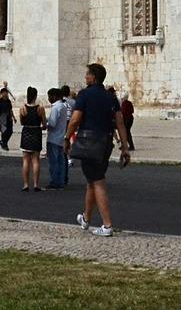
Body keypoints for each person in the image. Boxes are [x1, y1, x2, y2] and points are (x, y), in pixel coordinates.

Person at [67, 62, 131, 235]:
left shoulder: (84, 95)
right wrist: (124, 148)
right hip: (106, 144)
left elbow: (74, 120)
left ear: (93, 77)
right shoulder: (111, 97)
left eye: (87, 74)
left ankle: (107, 225)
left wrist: (67, 138)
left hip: (89, 144)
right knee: (92, 181)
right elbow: (120, 123)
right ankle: (86, 219)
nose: (85, 77)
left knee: (98, 182)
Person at [17, 87, 46, 191]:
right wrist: (42, 127)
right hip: (36, 132)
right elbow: (44, 124)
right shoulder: (40, 108)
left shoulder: (22, 108)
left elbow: (21, 122)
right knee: (36, 160)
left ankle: (25, 184)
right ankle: (36, 184)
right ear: (35, 96)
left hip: (26, 133)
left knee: (25, 160)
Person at [44, 87, 71, 189]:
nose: (49, 98)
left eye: (49, 96)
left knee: (53, 162)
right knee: (60, 161)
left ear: (54, 96)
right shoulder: (63, 106)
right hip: (61, 137)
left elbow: (52, 123)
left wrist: (45, 124)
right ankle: (60, 181)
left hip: (53, 138)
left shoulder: (55, 108)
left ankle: (54, 181)